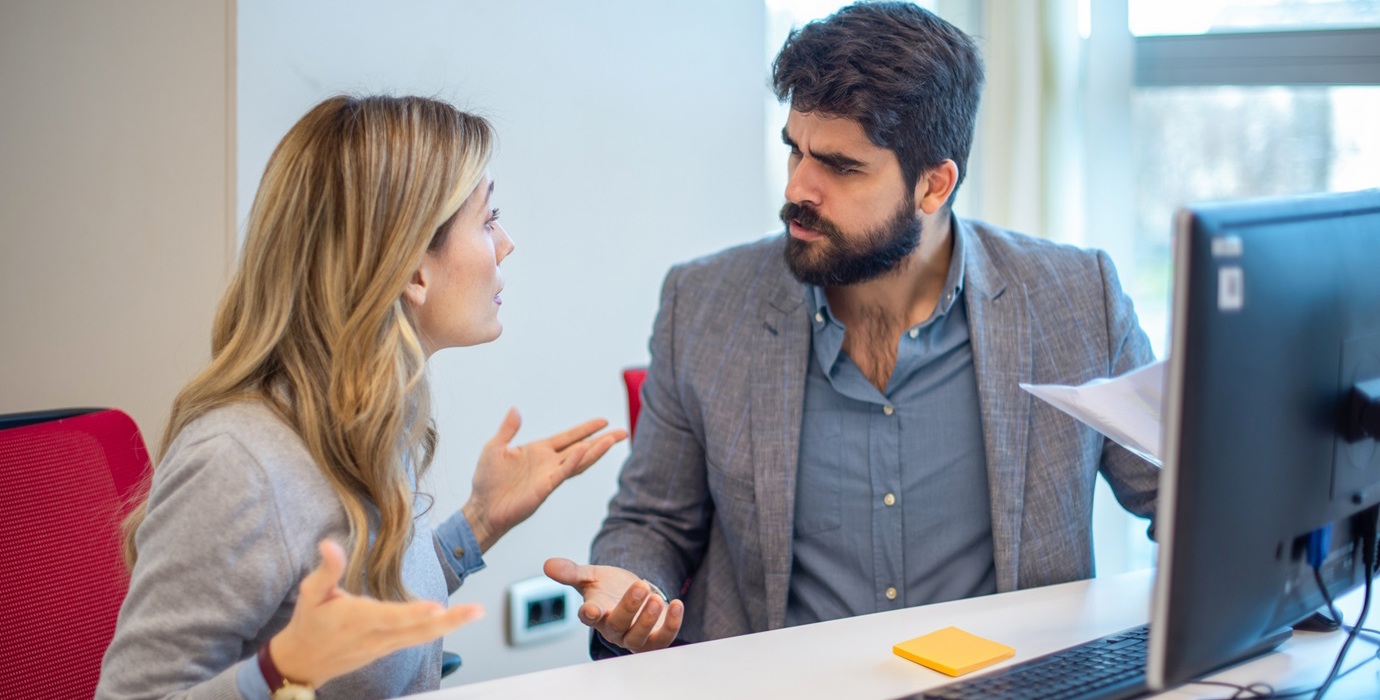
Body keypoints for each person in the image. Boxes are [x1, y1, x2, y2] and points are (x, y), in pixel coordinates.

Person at [545, 2, 1159, 657]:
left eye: (840, 166)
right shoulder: (702, 304)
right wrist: (632, 594)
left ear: (934, 186)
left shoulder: (1075, 299)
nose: (799, 187)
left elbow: (1188, 500)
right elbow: (653, 522)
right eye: (794, 150)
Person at [95, 95, 626, 700]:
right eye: (487, 219)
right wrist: (275, 672)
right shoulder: (238, 461)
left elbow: (360, 617)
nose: (505, 244)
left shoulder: (360, 419)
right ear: (410, 269)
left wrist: (480, 522)